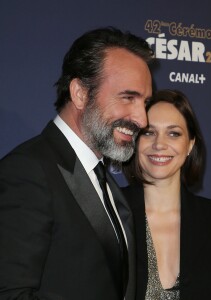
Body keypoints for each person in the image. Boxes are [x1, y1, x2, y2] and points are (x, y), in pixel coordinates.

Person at [0, 27, 154, 300]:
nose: (142, 119)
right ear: (80, 93)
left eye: (145, 102)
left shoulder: (102, 179)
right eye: (128, 97)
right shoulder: (27, 172)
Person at [122, 89, 211, 300]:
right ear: (136, 141)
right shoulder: (108, 210)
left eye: (173, 133)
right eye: (148, 132)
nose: (159, 144)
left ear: (190, 144)